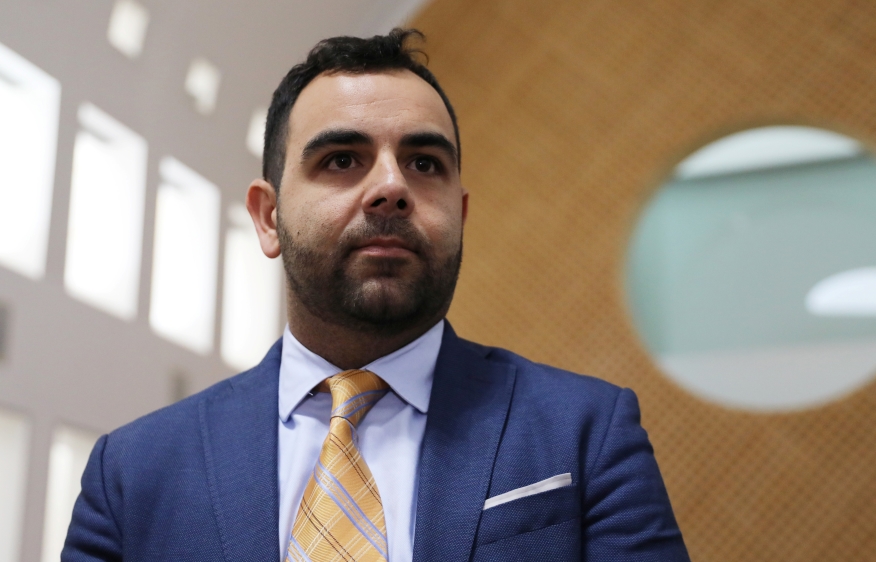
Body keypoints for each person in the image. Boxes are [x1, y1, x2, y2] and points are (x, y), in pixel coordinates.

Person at [63, 29, 689, 562]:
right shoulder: (132, 474)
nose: (390, 187)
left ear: (460, 214)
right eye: (341, 159)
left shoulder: (586, 433)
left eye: (423, 164)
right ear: (267, 217)